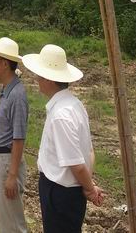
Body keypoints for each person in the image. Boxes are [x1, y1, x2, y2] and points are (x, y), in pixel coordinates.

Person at [21, 44, 105, 232]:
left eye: (40, 75)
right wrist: (87, 184)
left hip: (60, 193)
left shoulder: (61, 115)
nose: (37, 79)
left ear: (49, 79)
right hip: (69, 191)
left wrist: (89, 189)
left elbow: (76, 163)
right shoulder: (75, 105)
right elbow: (89, 152)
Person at [0, 37, 28, 233]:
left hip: (7, 160)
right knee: (6, 217)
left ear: (4, 63)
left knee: (13, 220)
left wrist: (12, 175)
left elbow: (18, 138)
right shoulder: (7, 90)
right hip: (1, 158)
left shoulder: (17, 94)